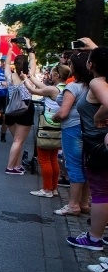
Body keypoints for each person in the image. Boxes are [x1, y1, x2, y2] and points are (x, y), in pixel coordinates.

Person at [66, 43, 108, 260]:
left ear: (91, 64)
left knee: (100, 192)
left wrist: (99, 116)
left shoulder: (97, 82)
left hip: (98, 145)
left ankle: (94, 237)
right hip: (100, 143)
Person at [52, 51, 92, 215]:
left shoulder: (73, 87)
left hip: (72, 129)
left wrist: (54, 117)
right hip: (89, 129)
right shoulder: (92, 85)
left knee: (74, 166)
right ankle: (84, 203)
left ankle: (73, 205)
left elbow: (63, 113)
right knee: (87, 166)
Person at [23, 63, 68, 197]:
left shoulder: (53, 90)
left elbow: (33, 90)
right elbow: (42, 86)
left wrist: (25, 79)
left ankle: (47, 189)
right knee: (53, 158)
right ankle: (53, 188)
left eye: (53, 73)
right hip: (58, 126)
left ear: (57, 75)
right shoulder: (64, 88)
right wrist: (30, 76)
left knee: (44, 159)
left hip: (48, 125)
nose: (50, 75)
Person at [4, 42, 37, 174]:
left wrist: (10, 49)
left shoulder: (10, 77)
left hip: (11, 109)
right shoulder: (29, 77)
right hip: (25, 108)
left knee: (16, 141)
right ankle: (10, 167)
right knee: (19, 140)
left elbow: (6, 64)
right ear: (26, 65)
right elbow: (33, 59)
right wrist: (28, 45)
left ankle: (17, 165)